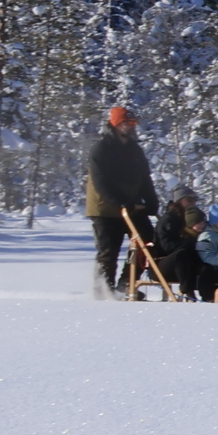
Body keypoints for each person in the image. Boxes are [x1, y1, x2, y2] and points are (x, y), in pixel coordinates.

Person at [85, 107, 159, 298]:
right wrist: (120, 201)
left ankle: (126, 285)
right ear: (115, 124)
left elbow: (144, 178)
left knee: (147, 243)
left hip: (131, 206)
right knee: (109, 252)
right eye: (125, 123)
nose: (129, 127)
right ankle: (103, 291)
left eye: (132, 123)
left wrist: (151, 201)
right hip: (105, 208)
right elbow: (101, 182)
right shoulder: (101, 149)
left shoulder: (135, 150)